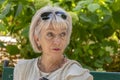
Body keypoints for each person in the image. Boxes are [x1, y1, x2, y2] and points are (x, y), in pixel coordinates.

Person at [14, 5, 93, 80]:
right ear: (37, 39)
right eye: (50, 34)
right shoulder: (23, 69)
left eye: (62, 34)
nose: (57, 42)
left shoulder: (76, 74)